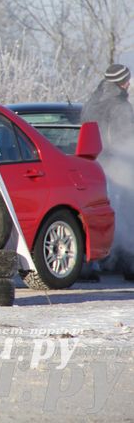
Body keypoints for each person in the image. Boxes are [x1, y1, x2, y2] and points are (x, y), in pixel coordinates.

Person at [82, 63, 134, 280]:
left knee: (96, 215)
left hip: (91, 165)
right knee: (125, 215)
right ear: (122, 82)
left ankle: (89, 265)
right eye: (127, 80)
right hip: (117, 166)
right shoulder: (120, 106)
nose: (129, 84)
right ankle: (129, 263)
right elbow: (127, 139)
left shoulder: (91, 104)